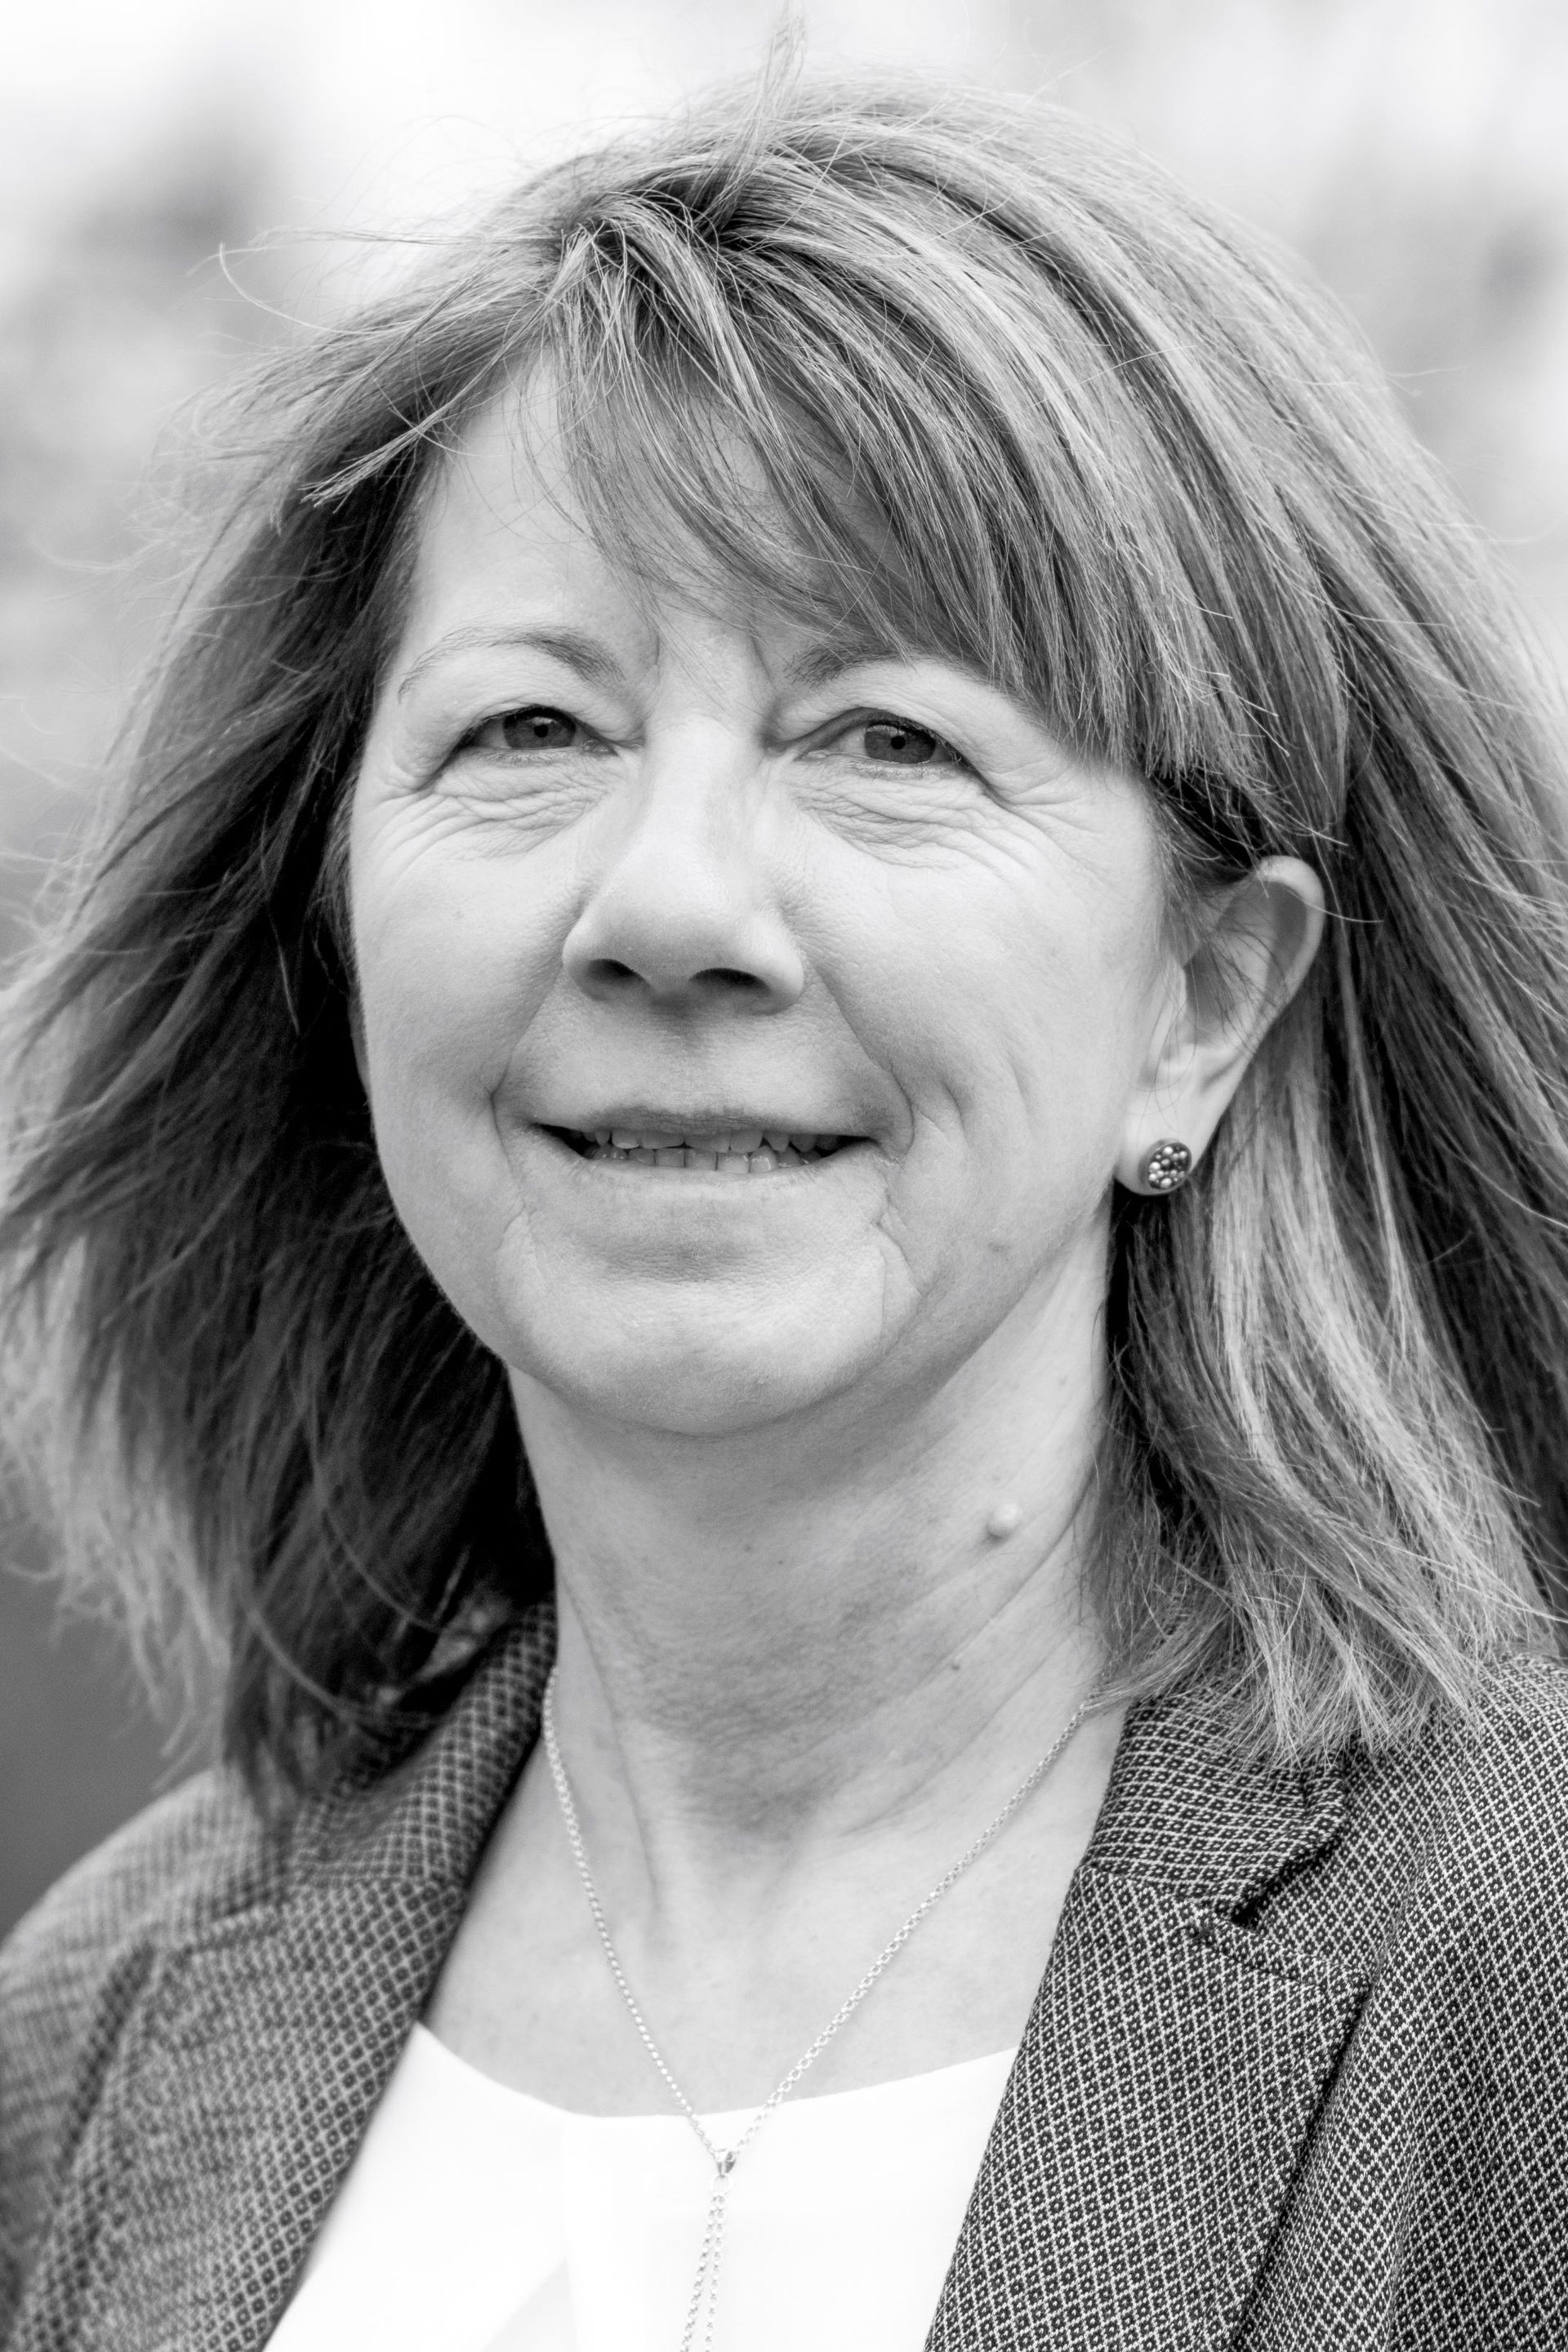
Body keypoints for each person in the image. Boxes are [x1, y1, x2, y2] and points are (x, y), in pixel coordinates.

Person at [2, 65, 1566, 2352]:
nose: (669, 906)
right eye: (530, 728)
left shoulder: (1516, 1966)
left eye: (886, 741)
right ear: (334, 920)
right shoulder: (98, 2041)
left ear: (1205, 1003)